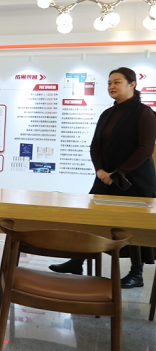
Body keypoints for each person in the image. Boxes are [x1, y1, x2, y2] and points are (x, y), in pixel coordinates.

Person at [49, 67, 156, 287]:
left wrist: (119, 172)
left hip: (134, 180)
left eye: (117, 82)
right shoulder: (107, 113)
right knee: (90, 218)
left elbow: (145, 149)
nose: (111, 86)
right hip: (105, 177)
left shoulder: (144, 113)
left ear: (132, 84)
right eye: (109, 83)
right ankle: (77, 261)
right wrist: (99, 170)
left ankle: (137, 274)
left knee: (132, 227)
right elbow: (95, 145)